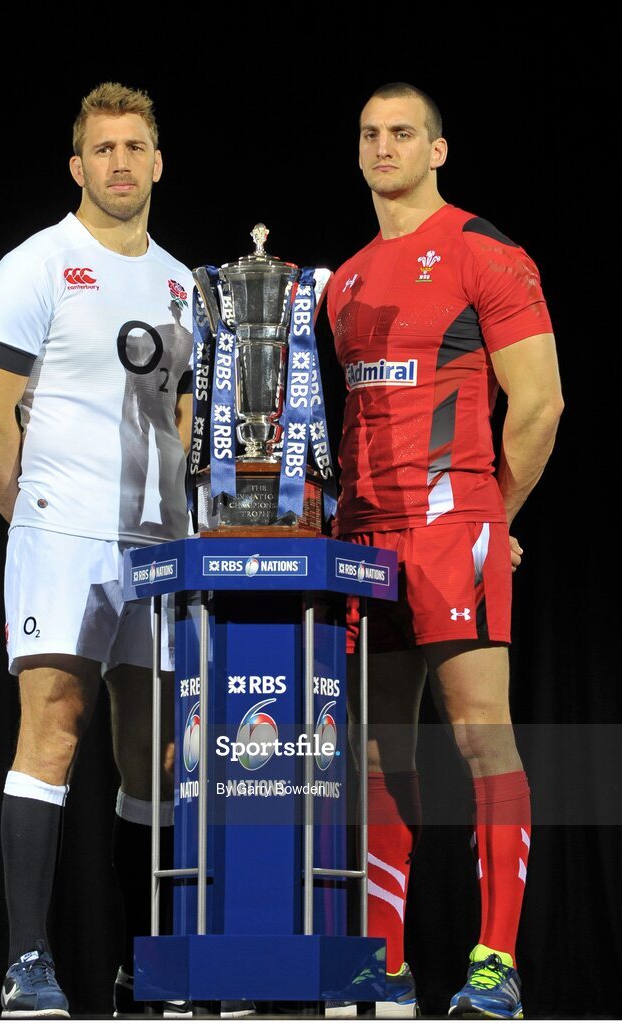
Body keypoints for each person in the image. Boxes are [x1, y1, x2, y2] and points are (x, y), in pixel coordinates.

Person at [0, 82, 249, 1020]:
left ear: (158, 163)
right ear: (77, 166)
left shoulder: (184, 283)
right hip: (61, 532)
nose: (120, 163)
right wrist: (35, 519)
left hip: (164, 542)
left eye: (135, 147)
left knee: (154, 754)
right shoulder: (34, 265)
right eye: (103, 149)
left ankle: (142, 966)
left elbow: (188, 420)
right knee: (53, 728)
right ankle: (27, 963)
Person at [326, 83, 563, 1019]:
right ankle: (382, 964)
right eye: (369, 134)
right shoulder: (339, 282)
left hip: (450, 520)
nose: (383, 147)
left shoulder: (482, 251)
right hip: (359, 535)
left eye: (401, 134)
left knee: (479, 735)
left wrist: (492, 513)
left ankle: (494, 962)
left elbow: (539, 404)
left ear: (437, 151)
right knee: (377, 750)